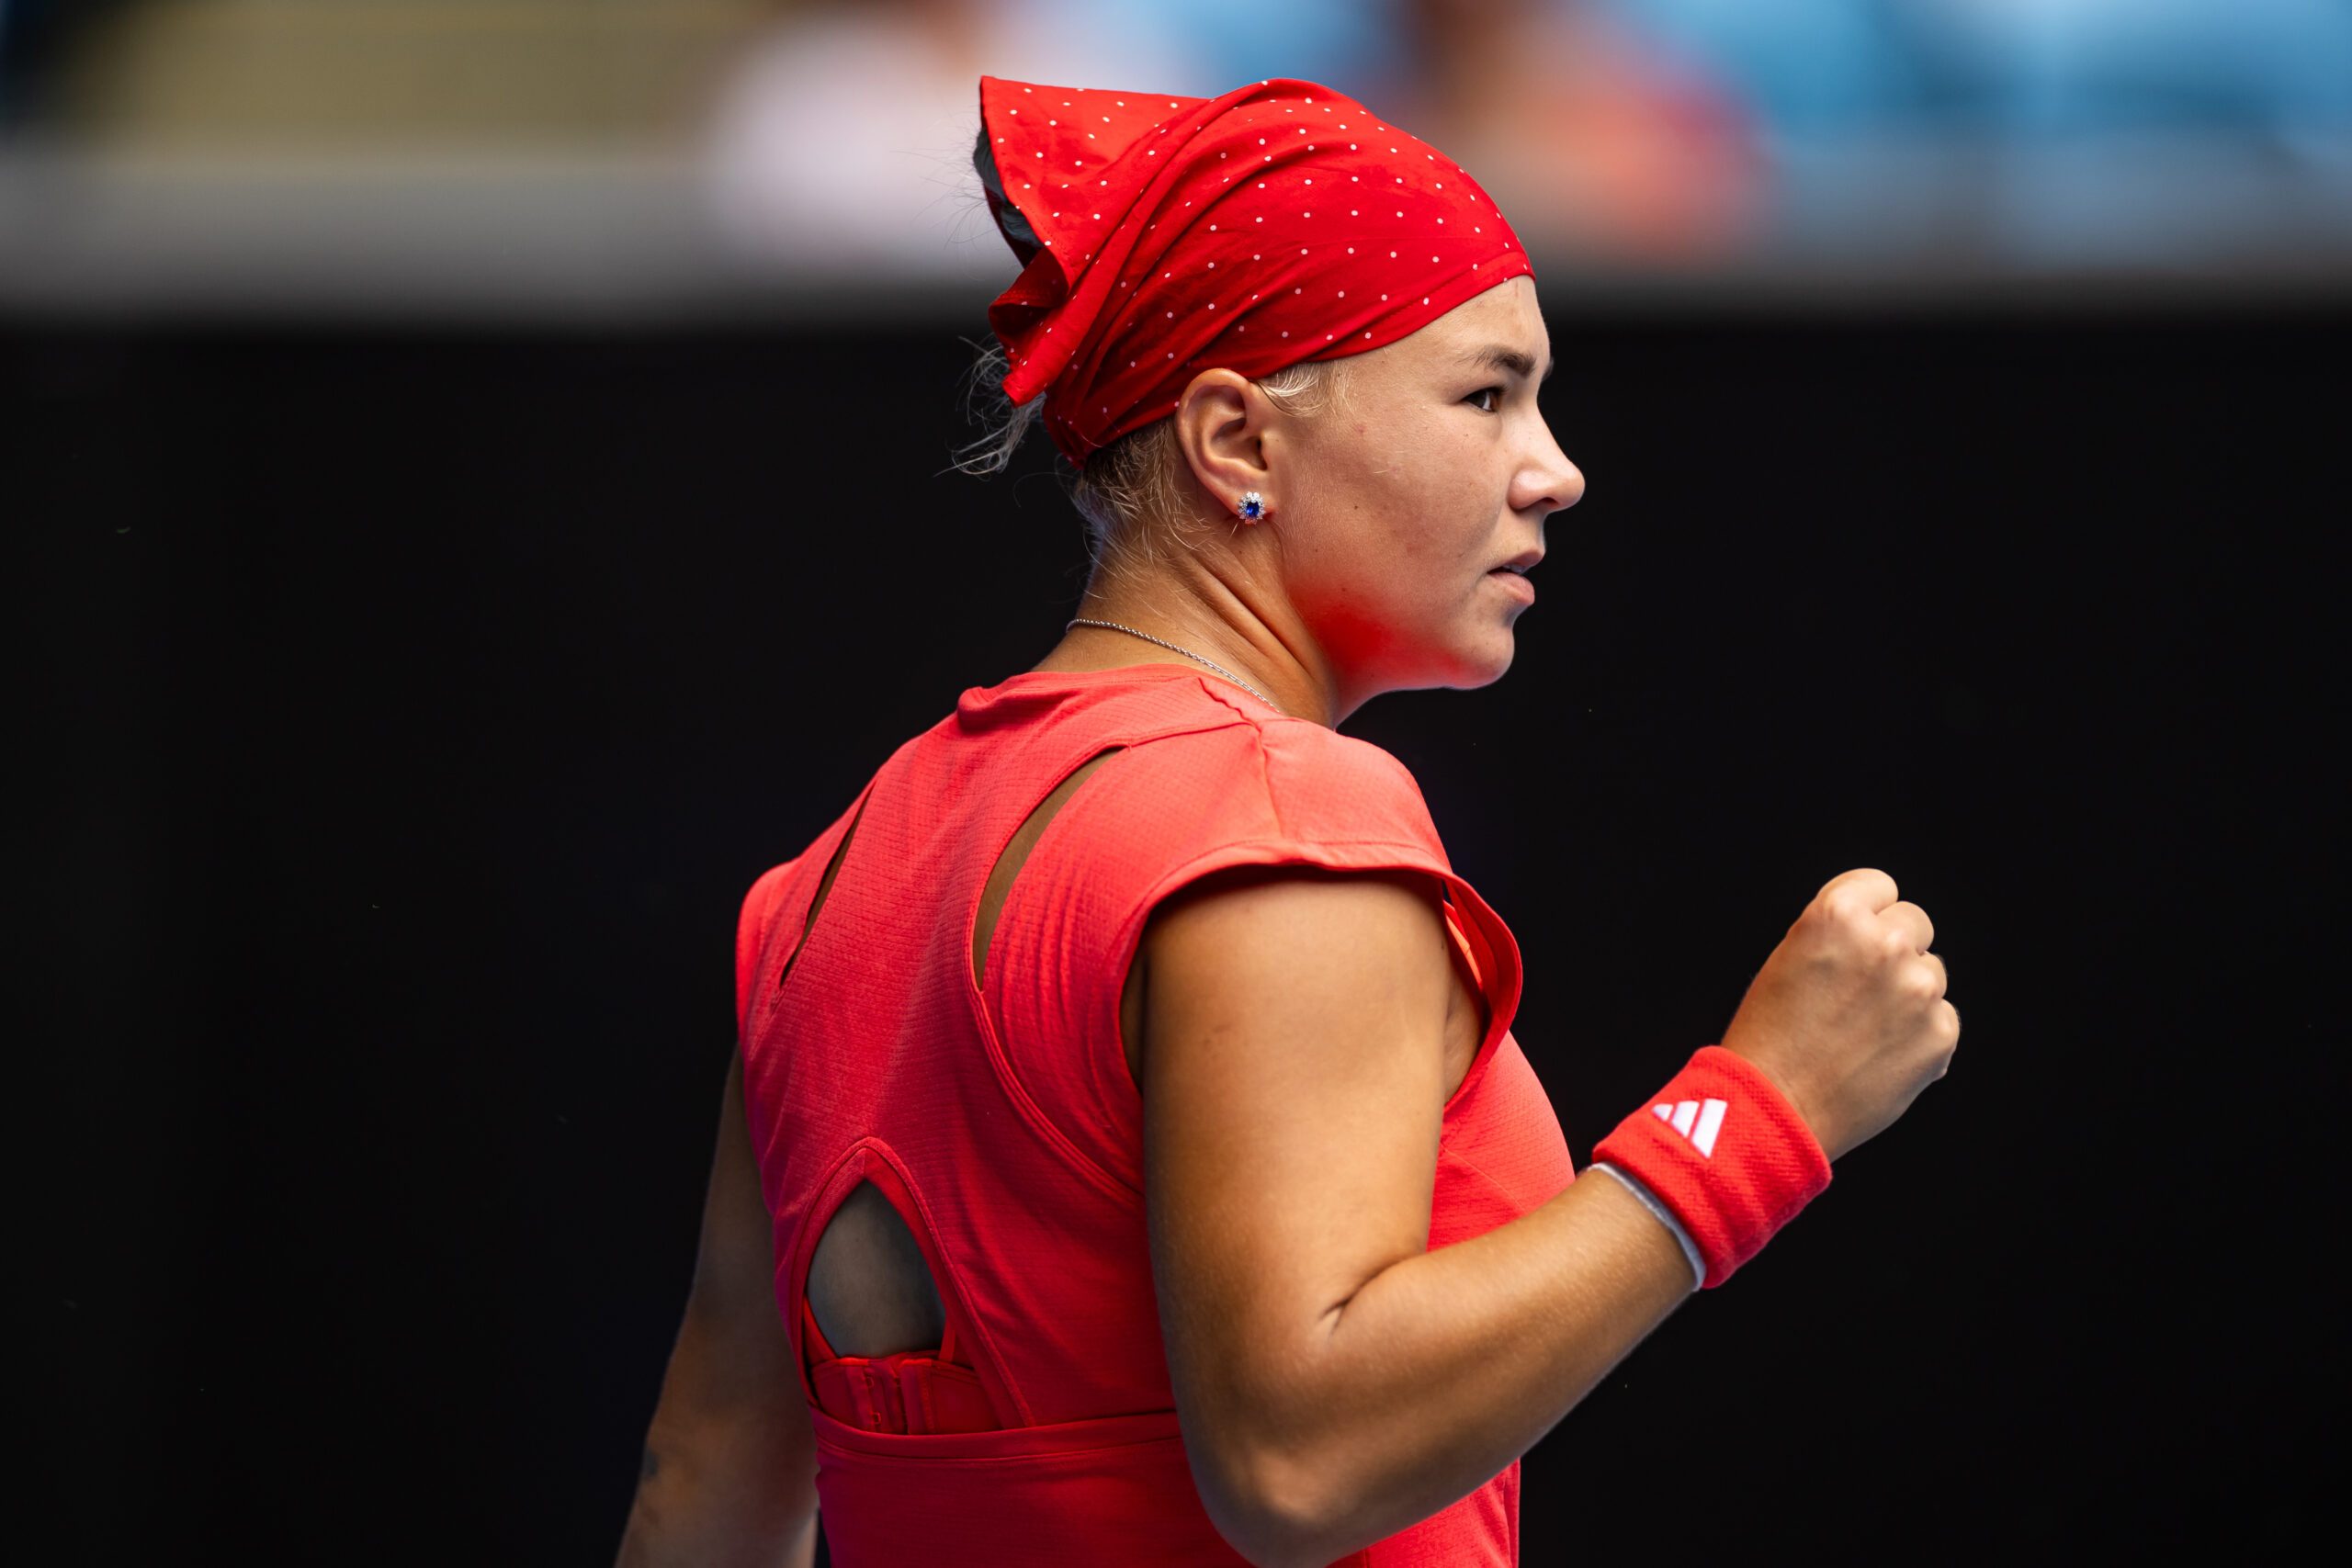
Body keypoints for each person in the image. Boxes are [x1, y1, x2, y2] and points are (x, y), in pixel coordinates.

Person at [615, 73, 1958, 1568]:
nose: (1556, 470)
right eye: (1487, 395)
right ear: (1238, 445)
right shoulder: (1279, 810)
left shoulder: (822, 886)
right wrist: (1761, 1113)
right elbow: (1300, 1462)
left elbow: (703, 1488)